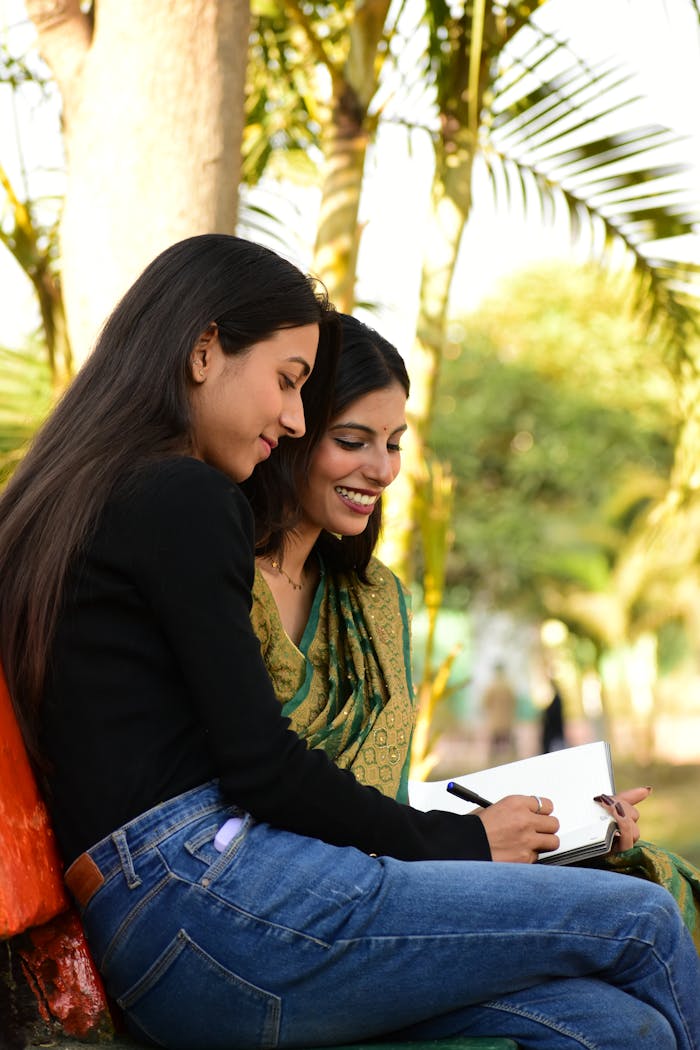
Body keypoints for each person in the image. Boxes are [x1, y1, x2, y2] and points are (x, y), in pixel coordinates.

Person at [0, 236, 698, 1050]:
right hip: (207, 899)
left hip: (176, 919)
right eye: (289, 383)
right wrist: (466, 840)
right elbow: (262, 766)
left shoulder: (79, 495)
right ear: (202, 351)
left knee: (612, 1026)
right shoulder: (180, 494)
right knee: (643, 920)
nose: (292, 418)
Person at [242, 313, 414, 803]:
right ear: (291, 427)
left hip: (384, 858)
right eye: (351, 442)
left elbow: (389, 805)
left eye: (394, 444)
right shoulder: (222, 573)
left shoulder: (374, 597)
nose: (383, 470)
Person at [482, 662, 517, 762]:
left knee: (494, 745)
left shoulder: (492, 686)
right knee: (508, 742)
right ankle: (513, 760)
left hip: (496, 720)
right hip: (507, 720)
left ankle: (492, 763)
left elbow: (485, 703)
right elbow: (514, 701)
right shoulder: (508, 685)